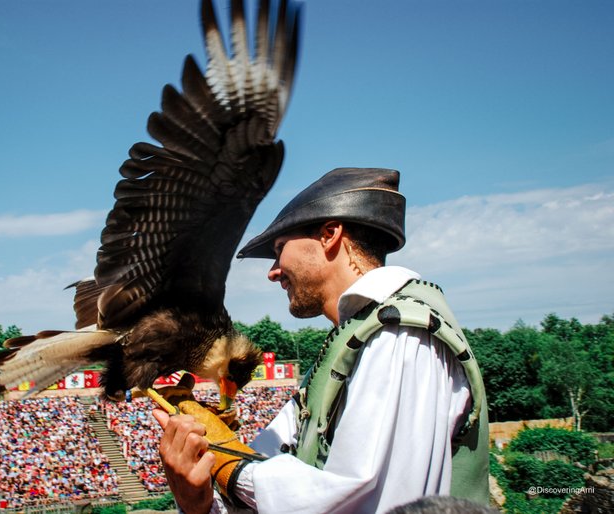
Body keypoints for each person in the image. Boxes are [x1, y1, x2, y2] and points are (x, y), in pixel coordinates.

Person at [153, 168, 490, 514]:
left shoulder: (401, 335)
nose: (273, 271)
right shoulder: (347, 347)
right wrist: (199, 499)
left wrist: (226, 459)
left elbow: (356, 496)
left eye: (280, 248)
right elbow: (268, 474)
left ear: (330, 234)